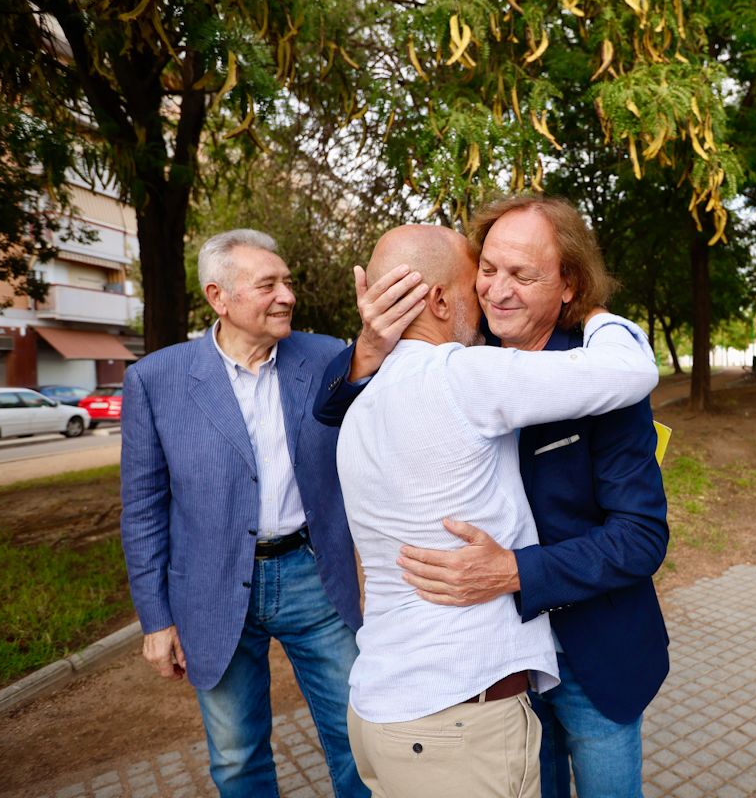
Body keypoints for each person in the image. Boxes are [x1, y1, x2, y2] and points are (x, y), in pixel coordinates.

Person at [315, 196, 669, 798]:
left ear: (567, 286)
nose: (497, 291)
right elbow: (334, 407)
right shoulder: (463, 367)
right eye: (487, 269)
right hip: (495, 677)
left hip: (592, 655)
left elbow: (641, 537)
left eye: (523, 275)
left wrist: (516, 571)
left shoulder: (598, 380)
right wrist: (370, 347)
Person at [120, 229, 369, 797]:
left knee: (360, 738)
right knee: (236, 759)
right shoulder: (156, 380)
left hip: (314, 576)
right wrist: (156, 620)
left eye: (287, 282)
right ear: (218, 297)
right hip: (210, 587)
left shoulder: (330, 356)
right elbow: (142, 511)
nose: (286, 295)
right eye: (268, 285)